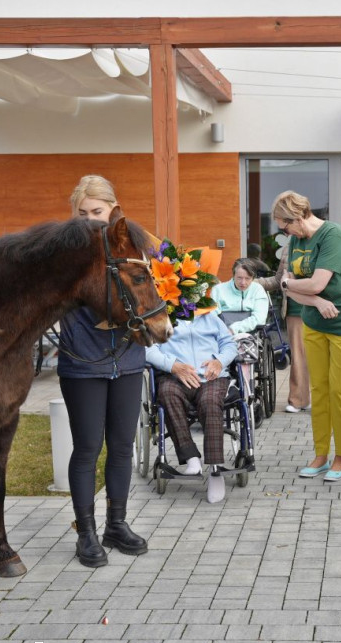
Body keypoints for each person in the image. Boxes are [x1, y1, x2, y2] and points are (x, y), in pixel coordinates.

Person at [58, 174, 149, 568]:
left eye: (97, 211)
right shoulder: (66, 249)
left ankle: (116, 523)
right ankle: (87, 533)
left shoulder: (134, 241)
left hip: (127, 359)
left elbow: (157, 282)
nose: (91, 219)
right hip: (84, 361)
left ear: (113, 209)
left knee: (122, 446)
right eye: (83, 213)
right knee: (88, 448)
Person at [273, 190, 341, 482]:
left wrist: (300, 288)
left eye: (284, 226)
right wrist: (316, 301)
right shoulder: (296, 239)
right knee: (320, 393)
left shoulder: (333, 236)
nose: (283, 232)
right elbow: (287, 283)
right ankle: (321, 453)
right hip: (314, 322)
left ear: (297, 217)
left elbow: (314, 283)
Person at [145, 310, 238, 504]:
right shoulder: (162, 318)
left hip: (212, 377)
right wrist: (173, 365)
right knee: (167, 394)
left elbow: (229, 344)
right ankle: (191, 458)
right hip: (175, 376)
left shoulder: (210, 317)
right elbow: (148, 349)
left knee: (210, 402)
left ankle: (215, 471)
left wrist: (219, 361)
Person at [257, 247, 311, 413]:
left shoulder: (323, 243)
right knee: (298, 356)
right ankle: (298, 400)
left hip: (320, 308)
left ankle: (325, 399)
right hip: (295, 310)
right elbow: (278, 280)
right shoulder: (290, 248)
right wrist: (250, 282)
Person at [212, 257, 270, 334]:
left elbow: (259, 319)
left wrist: (234, 329)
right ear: (233, 275)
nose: (243, 282)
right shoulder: (218, 290)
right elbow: (212, 316)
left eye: (247, 278)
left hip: (251, 334)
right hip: (222, 332)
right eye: (239, 278)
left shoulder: (257, 290)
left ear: (253, 278)